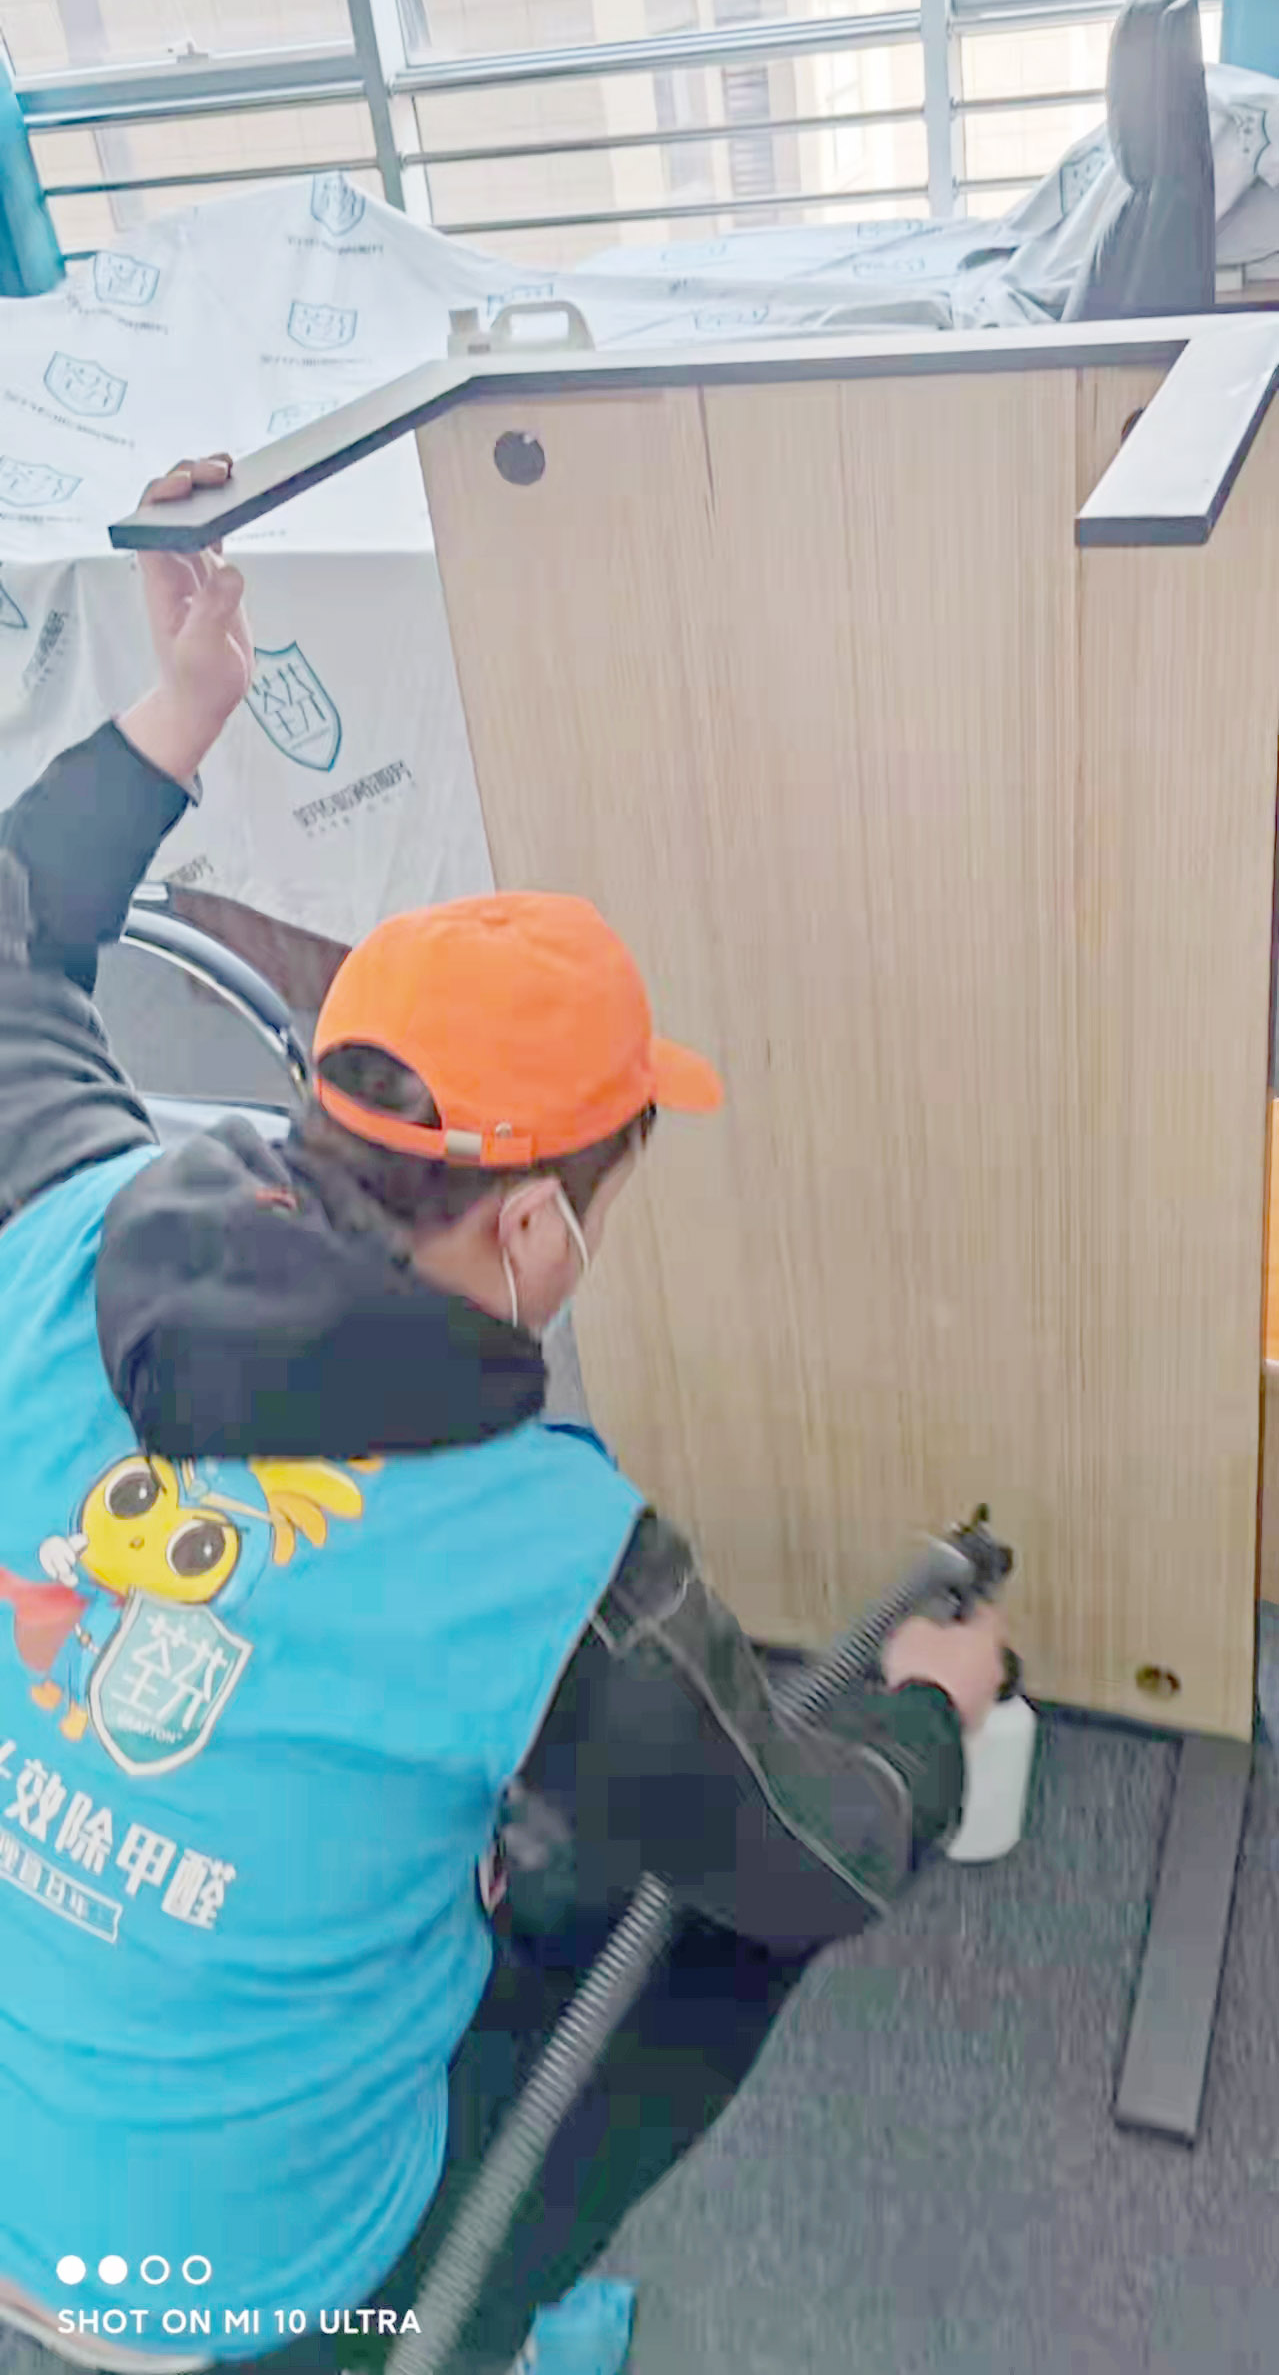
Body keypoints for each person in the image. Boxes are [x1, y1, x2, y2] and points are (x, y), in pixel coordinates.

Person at [0, 457, 1010, 2375]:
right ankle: (472, 2321)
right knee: (698, 1926)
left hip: (16, 2176)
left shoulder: (54, 1225)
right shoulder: (552, 1573)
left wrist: (184, 708)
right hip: (250, 2294)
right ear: (542, 1224)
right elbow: (812, 1853)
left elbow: (11, 930)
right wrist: (929, 1715)